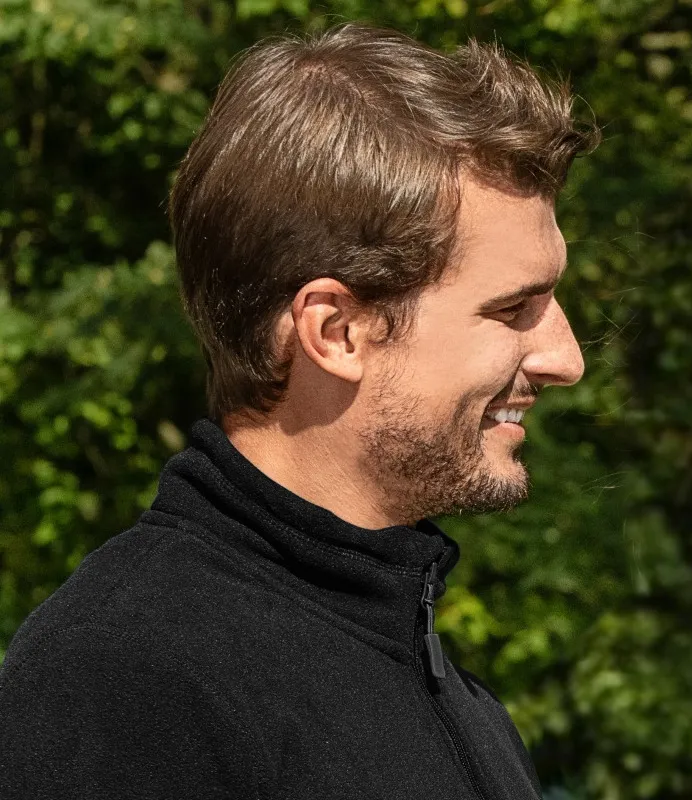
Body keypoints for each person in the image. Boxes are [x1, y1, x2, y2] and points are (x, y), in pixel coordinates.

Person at [0, 23, 598, 799]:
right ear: (336, 332)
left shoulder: (446, 686)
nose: (566, 358)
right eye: (514, 308)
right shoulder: (124, 683)